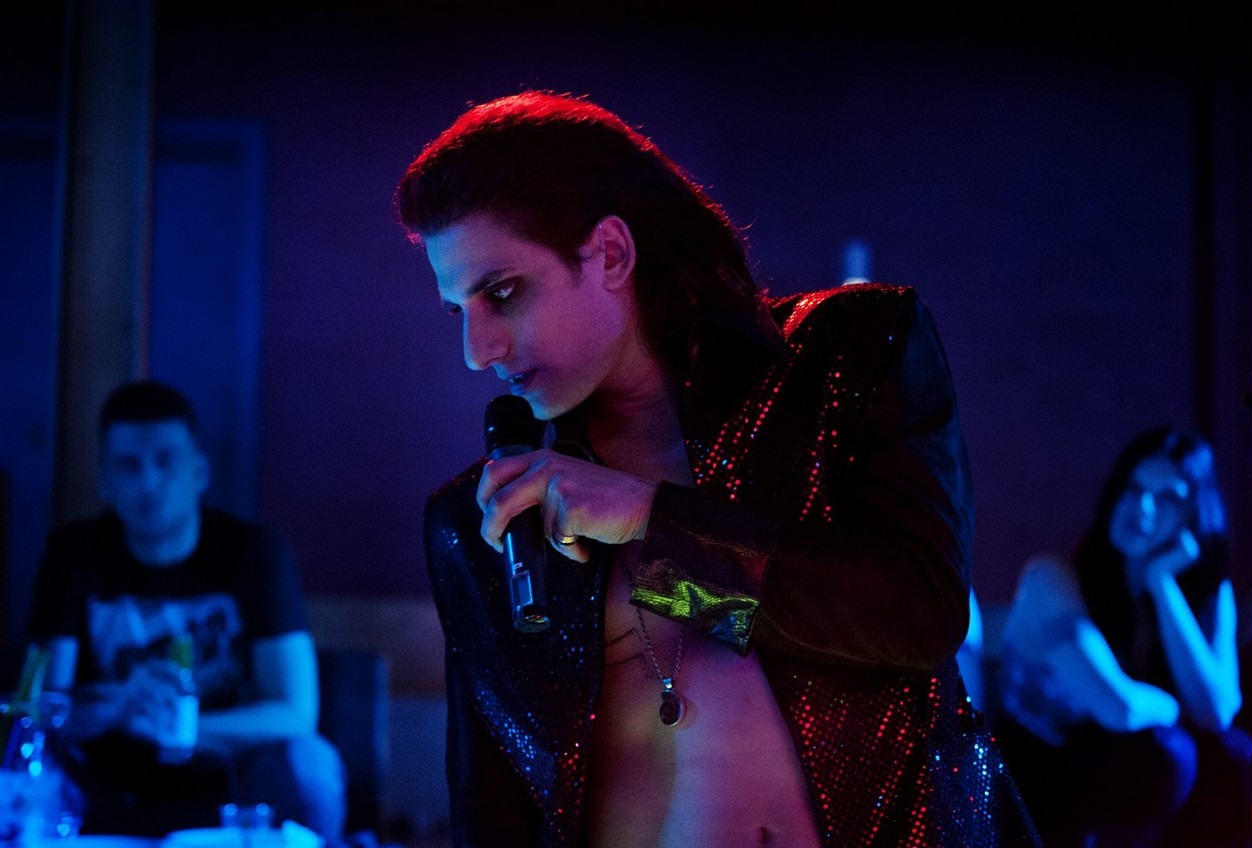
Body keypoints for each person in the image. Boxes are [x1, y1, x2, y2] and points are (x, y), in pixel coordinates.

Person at [395, 90, 1040, 847]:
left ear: (609, 253)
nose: (478, 351)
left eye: (503, 293)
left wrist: (652, 521)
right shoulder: (487, 521)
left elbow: (918, 617)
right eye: (457, 311)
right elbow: (494, 814)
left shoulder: (844, 356)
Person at [24, 380, 347, 842]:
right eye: (129, 465)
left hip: (229, 777)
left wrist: (181, 725)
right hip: (106, 780)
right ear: (104, 481)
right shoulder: (72, 554)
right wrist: (120, 704)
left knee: (314, 762)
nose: (148, 482)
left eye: (165, 461)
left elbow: (296, 712)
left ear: (199, 472)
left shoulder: (255, 553)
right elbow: (41, 710)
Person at [995, 426, 1252, 847]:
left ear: (1193, 516)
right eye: (1133, 488)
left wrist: (1162, 583)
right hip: (1038, 777)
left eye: (1168, 498)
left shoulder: (1205, 592)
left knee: (1234, 755)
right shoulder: (1051, 578)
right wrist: (1175, 707)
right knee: (1166, 754)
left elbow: (1218, 712)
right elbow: (1120, 708)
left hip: (1129, 784)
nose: (1142, 508)